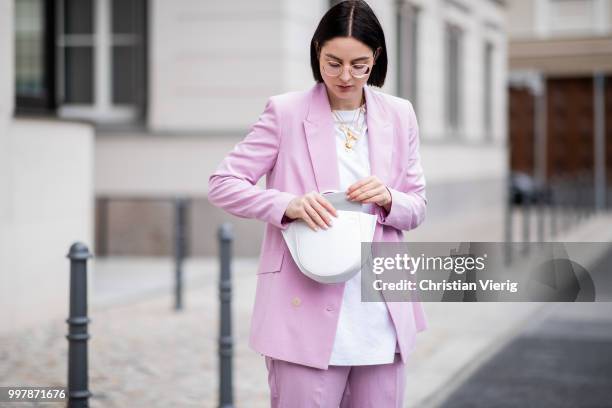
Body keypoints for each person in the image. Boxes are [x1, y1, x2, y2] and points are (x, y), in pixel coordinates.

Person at [207, 1, 428, 406]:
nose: (346, 76)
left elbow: (417, 206)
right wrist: (286, 205)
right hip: (301, 308)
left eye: (359, 64)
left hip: (380, 313)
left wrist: (389, 198)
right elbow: (222, 183)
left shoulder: (400, 115)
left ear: (376, 58)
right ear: (317, 53)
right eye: (333, 62)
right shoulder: (285, 112)